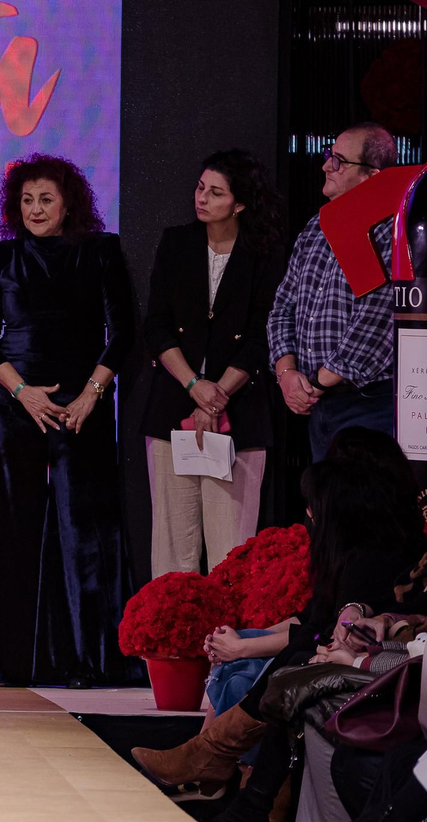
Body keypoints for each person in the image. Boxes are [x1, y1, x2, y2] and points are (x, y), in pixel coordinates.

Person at [130, 452, 424, 813]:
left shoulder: (369, 560)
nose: (309, 514)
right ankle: (213, 760)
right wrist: (242, 639)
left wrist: (242, 649)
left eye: (313, 505)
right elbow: (309, 619)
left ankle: (223, 769)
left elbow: (319, 634)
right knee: (247, 657)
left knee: (278, 668)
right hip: (327, 645)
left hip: (362, 657)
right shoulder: (343, 554)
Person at [0, 154, 134, 689]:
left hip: (81, 403)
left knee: (83, 533)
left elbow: (123, 332)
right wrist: (22, 394)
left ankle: (87, 660)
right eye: (26, 200)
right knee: (13, 531)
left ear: (69, 204)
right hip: (16, 405)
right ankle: (12, 663)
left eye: (46, 199)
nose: (35, 209)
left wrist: (91, 392)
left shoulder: (101, 251)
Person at [142, 150, 286, 577]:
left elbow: (265, 333)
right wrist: (195, 388)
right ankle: (170, 643)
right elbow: (156, 326)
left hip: (238, 416)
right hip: (173, 410)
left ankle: (228, 645)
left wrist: (217, 396)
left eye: (215, 192)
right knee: (173, 552)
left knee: (231, 553)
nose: (201, 198)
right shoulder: (176, 242)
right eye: (201, 188)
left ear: (239, 203)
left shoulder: (265, 254)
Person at [267, 122, 400, 461]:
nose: (327, 165)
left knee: (365, 506)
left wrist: (313, 384)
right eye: (329, 155)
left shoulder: (390, 232)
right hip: (318, 403)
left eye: (339, 160)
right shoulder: (316, 226)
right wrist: (286, 374)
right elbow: (283, 307)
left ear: (371, 175)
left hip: (367, 404)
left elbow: (377, 321)